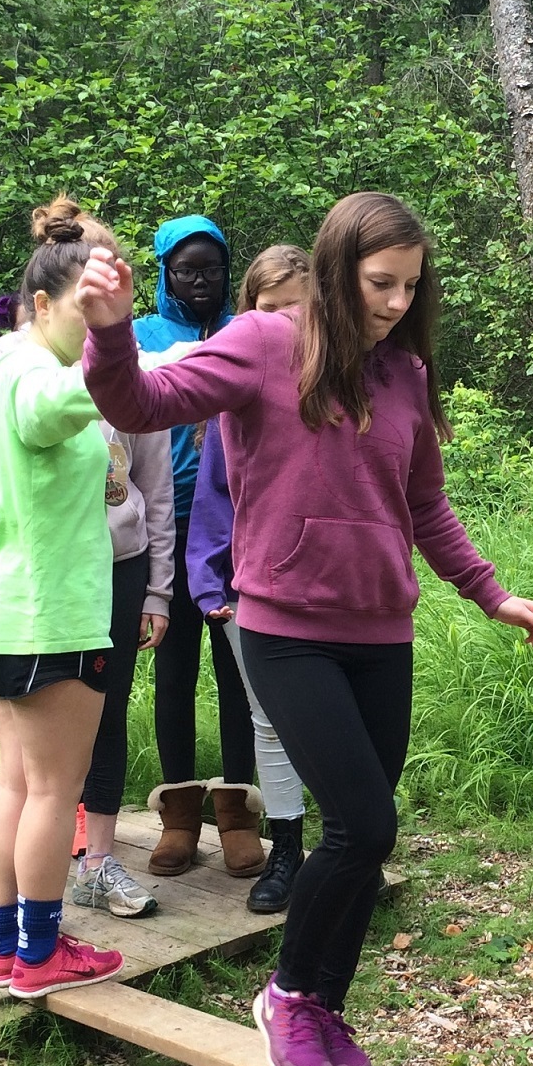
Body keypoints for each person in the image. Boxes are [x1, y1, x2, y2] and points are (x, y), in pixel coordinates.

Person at [81, 192, 533, 1066]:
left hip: (382, 630)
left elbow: (425, 508)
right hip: (283, 627)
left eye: (412, 288)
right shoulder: (265, 344)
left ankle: (322, 1008)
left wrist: (492, 594)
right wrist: (109, 330)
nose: (395, 304)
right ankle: (289, 994)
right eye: (382, 283)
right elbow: (137, 403)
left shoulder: (405, 378)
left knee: (362, 838)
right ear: (337, 270)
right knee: (368, 819)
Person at [0, 197, 127, 1000]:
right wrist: (130, 363)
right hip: (49, 612)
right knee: (53, 791)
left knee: (18, 784)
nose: (99, 329)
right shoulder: (34, 373)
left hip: (3, 611)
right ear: (39, 306)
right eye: (86, 314)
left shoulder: (5, 362)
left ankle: (4, 947)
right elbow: (49, 411)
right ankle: (39, 955)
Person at [186, 243, 314, 914]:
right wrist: (210, 586)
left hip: (328, 592)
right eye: (270, 310)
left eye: (299, 309)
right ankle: (287, 850)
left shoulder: (348, 386)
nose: (285, 324)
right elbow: (213, 503)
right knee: (269, 722)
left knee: (337, 721)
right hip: (249, 592)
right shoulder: (233, 403)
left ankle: (354, 846)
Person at [132, 214, 261, 876]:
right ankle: (180, 816)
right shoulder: (142, 336)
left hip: (237, 532)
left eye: (212, 266)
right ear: (165, 272)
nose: (202, 279)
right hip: (165, 526)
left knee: (240, 672)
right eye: (187, 268)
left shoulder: (248, 331)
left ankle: (239, 813)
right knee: (175, 672)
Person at [71, 406, 172, 918]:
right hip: (49, 571)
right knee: (41, 717)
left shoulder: (133, 382)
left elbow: (156, 491)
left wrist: (158, 592)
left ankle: (98, 864)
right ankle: (25, 880)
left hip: (120, 568)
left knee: (107, 712)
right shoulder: (16, 370)